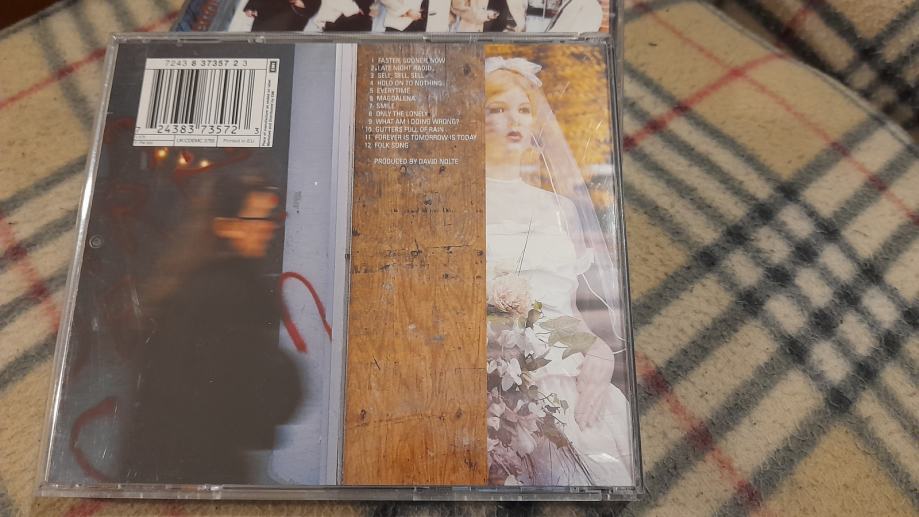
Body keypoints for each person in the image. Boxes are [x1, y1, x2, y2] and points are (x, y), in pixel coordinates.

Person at [483, 56, 632, 486]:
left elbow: (560, 310)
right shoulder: (459, 202)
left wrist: (596, 350)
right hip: (494, 384)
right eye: (497, 108)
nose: (515, 119)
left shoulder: (559, 208)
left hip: (567, 376)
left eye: (524, 108)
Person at [119, 170, 301, 485]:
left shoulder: (193, 284)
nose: (269, 228)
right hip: (196, 473)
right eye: (258, 219)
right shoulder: (226, 293)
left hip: (173, 467)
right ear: (225, 226)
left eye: (270, 218)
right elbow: (234, 391)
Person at [243, 0, 319, 31]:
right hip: (263, 24)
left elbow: (311, 9)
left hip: (286, 28)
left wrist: (298, 2)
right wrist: (250, 7)